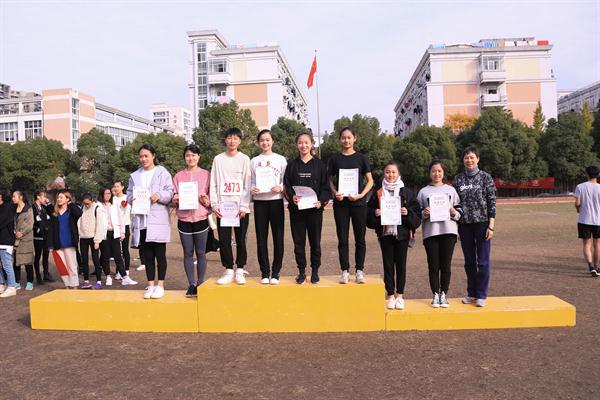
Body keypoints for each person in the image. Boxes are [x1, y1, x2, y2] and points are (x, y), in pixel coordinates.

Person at [367, 162, 420, 310]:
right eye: (387, 172)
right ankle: (390, 295)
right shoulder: (378, 193)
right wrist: (375, 213)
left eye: (393, 172)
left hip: (402, 235)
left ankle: (400, 296)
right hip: (385, 234)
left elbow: (417, 216)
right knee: (388, 265)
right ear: (384, 174)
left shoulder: (407, 193)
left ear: (398, 174)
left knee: (401, 265)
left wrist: (407, 213)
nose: (390, 175)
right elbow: (368, 215)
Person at [328, 127, 374, 284]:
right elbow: (329, 180)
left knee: (360, 238)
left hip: (358, 204)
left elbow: (370, 181)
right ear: (339, 139)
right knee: (343, 238)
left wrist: (361, 195)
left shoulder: (361, 158)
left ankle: (359, 270)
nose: (346, 140)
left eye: (349, 137)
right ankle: (344, 271)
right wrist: (335, 192)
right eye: (343, 137)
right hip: (341, 204)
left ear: (355, 138)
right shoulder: (334, 159)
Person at [283, 132, 330, 284]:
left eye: (306, 142)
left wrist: (321, 201)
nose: (303, 145)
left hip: (315, 211)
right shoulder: (291, 165)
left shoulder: (320, 165)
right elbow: (286, 186)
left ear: (311, 144)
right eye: (300, 142)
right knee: (299, 243)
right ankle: (301, 271)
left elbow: (325, 188)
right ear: (297, 145)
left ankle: (315, 271)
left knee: (315, 242)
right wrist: (292, 197)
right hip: (297, 211)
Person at [128, 144, 173, 299]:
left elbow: (170, 192)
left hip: (158, 218)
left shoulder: (162, 173)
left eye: (146, 156)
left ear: (153, 156)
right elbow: (129, 194)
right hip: (142, 220)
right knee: (147, 256)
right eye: (141, 156)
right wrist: (132, 199)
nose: (143, 159)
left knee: (160, 254)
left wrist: (159, 195)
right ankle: (150, 285)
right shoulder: (135, 175)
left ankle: (160, 285)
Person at [453, 146, 496, 307]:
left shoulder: (485, 177)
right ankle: (471, 293)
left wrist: (491, 226)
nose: (469, 160)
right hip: (464, 225)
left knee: (483, 262)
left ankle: (481, 295)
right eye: (466, 157)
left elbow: (492, 202)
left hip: (482, 224)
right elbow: (455, 203)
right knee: (469, 262)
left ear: (477, 159)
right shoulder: (458, 179)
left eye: (472, 157)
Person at [417, 160, 462, 308]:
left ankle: (444, 294)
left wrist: (454, 213)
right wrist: (424, 213)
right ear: (429, 173)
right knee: (433, 265)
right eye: (434, 171)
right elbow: (416, 213)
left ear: (443, 173)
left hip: (449, 232)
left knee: (446, 265)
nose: (436, 174)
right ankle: (435, 294)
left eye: (439, 171)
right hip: (431, 233)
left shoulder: (451, 190)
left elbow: (459, 210)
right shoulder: (423, 192)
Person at [210, 128, 251, 285]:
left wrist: (244, 206)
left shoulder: (244, 159)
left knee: (241, 239)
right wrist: (215, 205)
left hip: (240, 208)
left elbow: (247, 184)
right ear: (225, 140)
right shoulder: (218, 159)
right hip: (223, 207)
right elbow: (213, 183)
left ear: (239, 140)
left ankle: (240, 269)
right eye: (229, 138)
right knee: (224, 240)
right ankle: (228, 269)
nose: (232, 141)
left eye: (235, 138)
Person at [172, 144, 211, 297]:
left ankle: (200, 283)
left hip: (201, 218)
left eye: (194, 155)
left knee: (201, 253)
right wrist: (175, 199)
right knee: (188, 253)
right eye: (188, 155)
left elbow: (211, 199)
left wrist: (205, 200)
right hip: (184, 219)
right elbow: (173, 196)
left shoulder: (206, 175)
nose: (191, 158)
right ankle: (191, 284)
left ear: (198, 157)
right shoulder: (178, 176)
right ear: (184, 157)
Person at [250, 129, 287, 285]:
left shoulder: (281, 160)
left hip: (276, 202)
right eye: (262, 140)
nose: (265, 143)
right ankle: (265, 272)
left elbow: (286, 180)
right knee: (261, 239)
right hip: (260, 203)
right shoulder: (253, 161)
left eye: (267, 140)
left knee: (278, 238)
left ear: (273, 141)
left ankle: (276, 272)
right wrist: (252, 189)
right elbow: (251, 181)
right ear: (258, 143)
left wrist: (281, 187)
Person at [99, 187, 137, 288]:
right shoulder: (98, 206)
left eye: (109, 193)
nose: (108, 195)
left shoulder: (114, 205)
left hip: (114, 233)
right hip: (104, 234)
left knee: (118, 256)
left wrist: (122, 232)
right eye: (106, 193)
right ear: (102, 194)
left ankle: (125, 277)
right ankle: (108, 276)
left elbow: (121, 219)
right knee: (105, 256)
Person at [47, 190, 82, 289]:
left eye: (61, 197)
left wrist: (70, 204)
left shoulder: (71, 211)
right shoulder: (55, 213)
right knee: (62, 267)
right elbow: (51, 230)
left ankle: (74, 285)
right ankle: (67, 285)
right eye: (58, 197)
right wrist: (50, 245)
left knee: (72, 265)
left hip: (69, 243)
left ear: (67, 199)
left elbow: (79, 214)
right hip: (57, 244)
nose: (58, 199)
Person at [574, 165, 600, 277]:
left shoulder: (580, 186)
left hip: (584, 219)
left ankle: (591, 266)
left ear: (587, 174)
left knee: (586, 243)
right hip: (598, 220)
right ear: (598, 174)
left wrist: (578, 210)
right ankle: (597, 266)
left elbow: (577, 203)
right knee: (597, 244)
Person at [77, 192, 105, 289]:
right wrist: (80, 233)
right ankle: (86, 281)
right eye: (85, 203)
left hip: (93, 238)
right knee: (84, 260)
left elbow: (99, 225)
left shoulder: (97, 208)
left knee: (95, 259)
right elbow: (79, 222)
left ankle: (99, 281)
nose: (86, 205)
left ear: (92, 200)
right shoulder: (82, 208)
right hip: (83, 238)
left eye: (88, 203)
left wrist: (97, 240)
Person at [12, 191, 35, 291]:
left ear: (20, 197)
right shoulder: (13, 208)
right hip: (15, 239)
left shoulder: (28, 209)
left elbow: (30, 223)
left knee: (28, 261)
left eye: (14, 196)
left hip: (26, 239)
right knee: (15, 262)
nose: (13, 198)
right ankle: (16, 282)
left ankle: (30, 282)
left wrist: (21, 232)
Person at [32, 190, 54, 283]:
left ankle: (46, 274)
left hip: (46, 236)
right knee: (37, 257)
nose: (45, 198)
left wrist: (48, 203)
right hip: (38, 237)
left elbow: (53, 213)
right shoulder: (32, 208)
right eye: (44, 196)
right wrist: (37, 229)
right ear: (38, 197)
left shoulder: (44, 207)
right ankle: (38, 276)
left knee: (46, 256)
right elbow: (31, 222)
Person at [112, 180, 132, 279]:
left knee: (124, 249)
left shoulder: (127, 197)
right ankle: (119, 271)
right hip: (116, 226)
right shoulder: (113, 199)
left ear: (122, 187)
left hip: (125, 225)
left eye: (118, 186)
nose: (116, 188)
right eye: (115, 186)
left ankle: (126, 270)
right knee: (117, 251)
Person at [0, 189, 18, 298]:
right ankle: (1, 284)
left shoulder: (7, 208)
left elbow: (1, 222)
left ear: (2, 196)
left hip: (5, 241)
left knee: (7, 265)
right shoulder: (2, 207)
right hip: (1, 241)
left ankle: (12, 286)